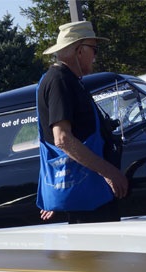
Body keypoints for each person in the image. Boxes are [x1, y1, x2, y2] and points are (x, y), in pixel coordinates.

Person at [36, 20, 128, 223]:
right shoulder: (60, 80)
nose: (95, 56)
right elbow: (62, 139)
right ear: (79, 51)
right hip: (86, 199)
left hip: (88, 195)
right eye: (93, 49)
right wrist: (110, 172)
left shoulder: (67, 79)